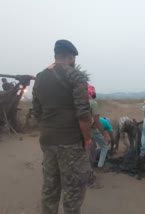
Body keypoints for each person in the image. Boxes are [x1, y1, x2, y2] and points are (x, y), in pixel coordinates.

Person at [32, 40, 91, 214]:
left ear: (56, 54)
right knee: (73, 191)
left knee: (50, 187)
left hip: (48, 141)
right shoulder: (75, 76)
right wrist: (87, 140)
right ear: (71, 56)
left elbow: (37, 112)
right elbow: (83, 114)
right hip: (71, 143)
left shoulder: (40, 77)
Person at [88, 84, 110, 169]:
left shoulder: (78, 103)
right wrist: (105, 135)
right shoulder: (93, 103)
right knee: (104, 146)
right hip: (92, 131)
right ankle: (100, 165)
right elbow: (96, 120)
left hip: (80, 131)